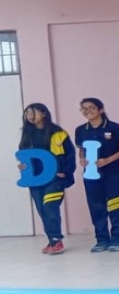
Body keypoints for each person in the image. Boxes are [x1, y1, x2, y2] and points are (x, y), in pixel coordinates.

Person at [18, 103, 75, 255]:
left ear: (44, 113)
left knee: (50, 206)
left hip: (54, 178)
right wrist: (23, 167)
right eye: (27, 113)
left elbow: (70, 154)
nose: (30, 116)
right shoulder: (27, 134)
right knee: (42, 209)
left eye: (33, 112)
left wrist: (66, 171)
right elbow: (23, 156)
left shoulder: (58, 133)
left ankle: (56, 240)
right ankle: (52, 240)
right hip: (35, 179)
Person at [75, 97, 119, 252]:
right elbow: (82, 150)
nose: (87, 111)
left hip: (113, 173)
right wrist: (82, 159)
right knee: (96, 206)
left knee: (116, 205)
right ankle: (102, 240)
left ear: (100, 110)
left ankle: (117, 240)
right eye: (84, 108)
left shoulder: (114, 127)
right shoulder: (80, 130)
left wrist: (108, 160)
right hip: (91, 175)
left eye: (91, 108)